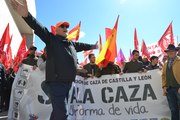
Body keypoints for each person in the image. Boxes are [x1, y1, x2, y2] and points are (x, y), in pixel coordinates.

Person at [11, 0, 98, 119]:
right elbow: (40, 28)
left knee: (57, 112)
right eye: (62, 26)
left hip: (68, 83)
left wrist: (94, 46)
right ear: (56, 29)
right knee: (63, 113)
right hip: (57, 83)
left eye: (66, 26)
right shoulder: (52, 40)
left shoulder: (71, 44)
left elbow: (82, 46)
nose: (65, 28)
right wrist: (27, 16)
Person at [162, 44, 180, 120]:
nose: (170, 53)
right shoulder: (165, 63)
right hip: (169, 89)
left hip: (178, 88)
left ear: (176, 52)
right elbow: (163, 76)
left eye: (172, 51)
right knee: (173, 109)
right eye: (169, 51)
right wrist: (164, 86)